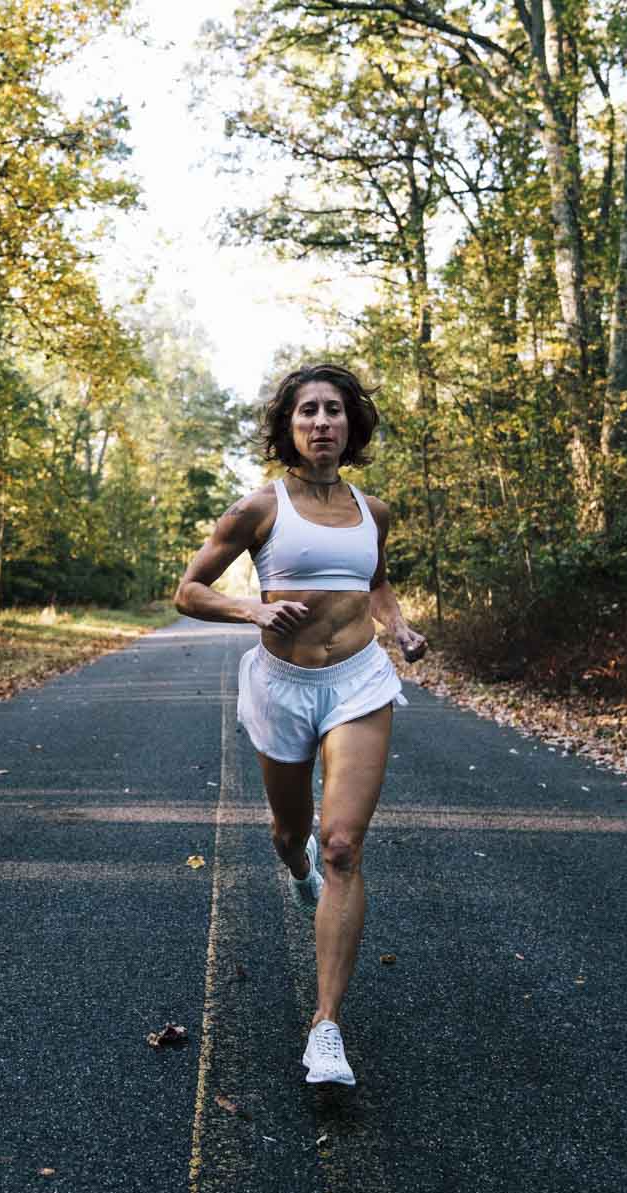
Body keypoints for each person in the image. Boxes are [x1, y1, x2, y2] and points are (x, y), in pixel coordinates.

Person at [173, 363, 427, 1086]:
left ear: (352, 426)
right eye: (309, 411)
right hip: (282, 685)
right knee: (293, 835)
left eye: (335, 411)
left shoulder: (371, 510)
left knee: (344, 843)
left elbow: (375, 583)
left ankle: (326, 1027)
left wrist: (400, 629)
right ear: (290, 426)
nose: (322, 422)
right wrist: (252, 609)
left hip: (359, 683)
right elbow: (187, 589)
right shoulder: (260, 508)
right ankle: (297, 866)